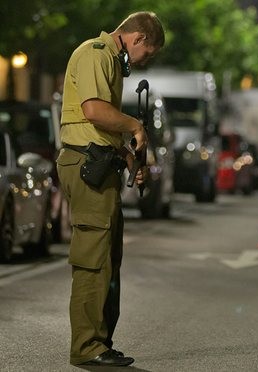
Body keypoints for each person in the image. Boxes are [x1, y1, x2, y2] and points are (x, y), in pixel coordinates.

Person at [55, 11, 164, 367]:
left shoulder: (110, 63)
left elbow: (104, 129)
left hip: (100, 164)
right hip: (86, 165)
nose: (145, 61)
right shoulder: (96, 52)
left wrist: (132, 160)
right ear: (137, 38)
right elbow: (94, 112)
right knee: (93, 259)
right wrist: (136, 126)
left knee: (107, 261)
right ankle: (87, 347)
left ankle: (100, 342)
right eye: (147, 53)